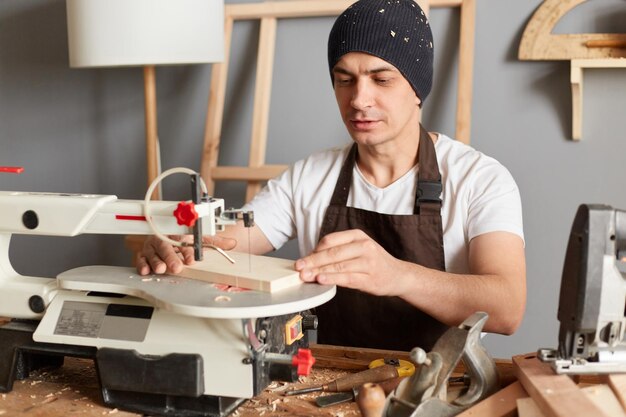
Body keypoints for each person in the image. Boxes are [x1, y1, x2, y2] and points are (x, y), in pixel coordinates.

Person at [137, 0, 526, 351]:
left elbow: (507, 308)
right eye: (345, 79)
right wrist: (171, 245)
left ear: (417, 88)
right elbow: (225, 244)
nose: (359, 99)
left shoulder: (480, 179)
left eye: (381, 78)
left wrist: (397, 276)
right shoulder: (309, 177)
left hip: (444, 389)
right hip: (336, 377)